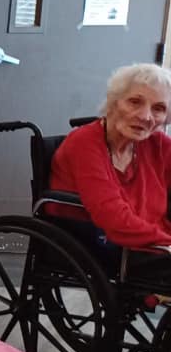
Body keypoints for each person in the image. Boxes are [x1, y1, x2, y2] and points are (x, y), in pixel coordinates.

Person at [49, 62, 171, 251]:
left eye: (159, 108)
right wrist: (166, 242)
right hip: (101, 244)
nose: (146, 116)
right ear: (113, 102)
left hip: (155, 243)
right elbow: (112, 217)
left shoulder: (157, 143)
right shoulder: (84, 143)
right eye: (135, 102)